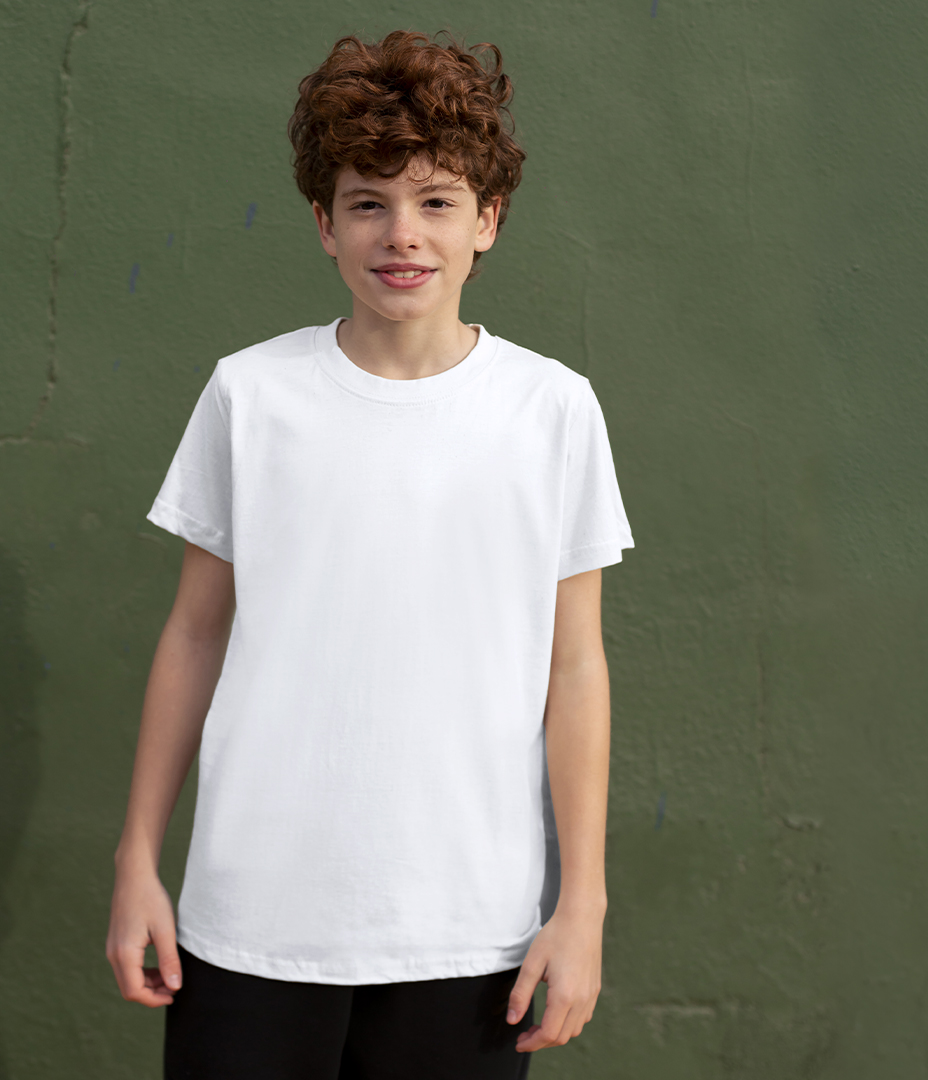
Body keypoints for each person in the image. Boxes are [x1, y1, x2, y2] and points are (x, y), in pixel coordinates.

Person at [106, 29, 634, 1079]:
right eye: (368, 203)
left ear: (488, 220)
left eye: (437, 201)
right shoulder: (251, 395)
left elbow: (574, 667)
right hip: (252, 918)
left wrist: (583, 906)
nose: (403, 234)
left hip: (470, 929)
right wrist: (136, 861)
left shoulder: (553, 410)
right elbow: (195, 633)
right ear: (324, 223)